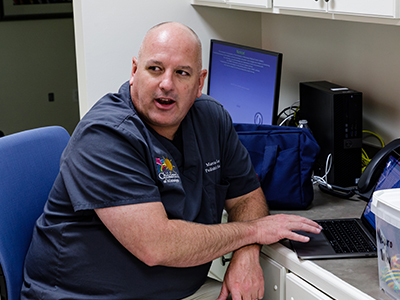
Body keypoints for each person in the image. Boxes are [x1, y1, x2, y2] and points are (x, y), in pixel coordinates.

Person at [21, 22, 321, 300]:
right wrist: (254, 231)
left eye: (182, 73)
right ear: (135, 71)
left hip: (181, 291)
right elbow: (156, 245)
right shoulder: (105, 136)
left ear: (199, 81)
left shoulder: (211, 118)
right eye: (155, 69)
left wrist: (246, 251)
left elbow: (247, 197)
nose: (167, 84)